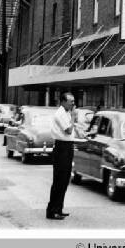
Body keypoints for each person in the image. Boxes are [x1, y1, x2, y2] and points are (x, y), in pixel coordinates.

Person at [46, 92, 76, 220]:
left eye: (73, 101)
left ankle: (58, 208)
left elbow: (72, 131)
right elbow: (68, 130)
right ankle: (52, 211)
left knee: (65, 180)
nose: (73, 104)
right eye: (71, 101)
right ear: (63, 101)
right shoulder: (60, 114)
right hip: (62, 147)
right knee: (59, 180)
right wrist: (74, 117)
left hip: (68, 146)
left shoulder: (66, 112)